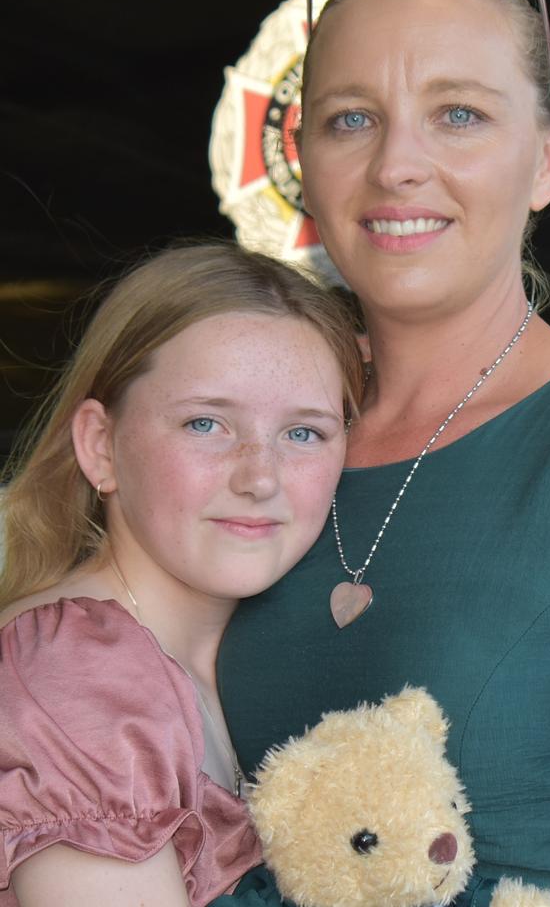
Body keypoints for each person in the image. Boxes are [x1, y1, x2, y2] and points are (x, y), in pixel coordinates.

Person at [215, 0, 550, 907]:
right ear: (300, 162)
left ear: (543, 162)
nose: (396, 166)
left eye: (455, 113)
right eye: (349, 119)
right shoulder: (258, 452)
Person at [0, 241, 364, 907]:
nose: (259, 477)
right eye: (206, 423)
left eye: (304, 433)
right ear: (99, 446)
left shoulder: (237, 659)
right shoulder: (78, 671)